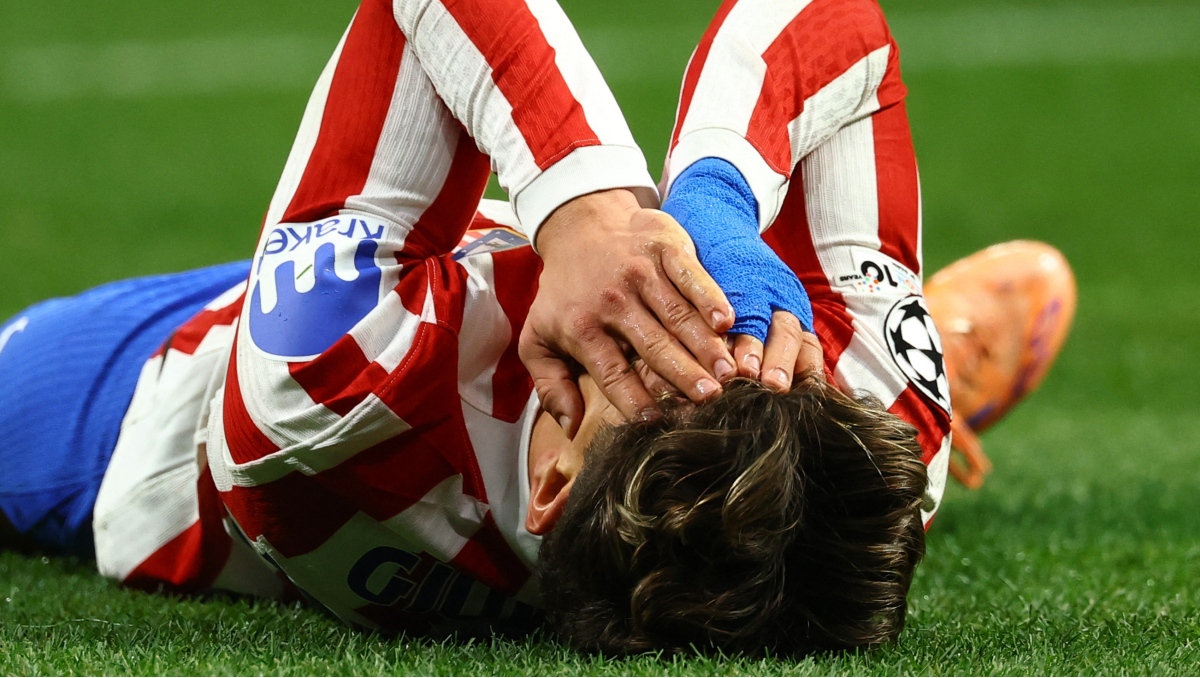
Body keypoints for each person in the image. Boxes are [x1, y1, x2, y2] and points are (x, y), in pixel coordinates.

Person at [0, 0, 1075, 655]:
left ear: (555, 477)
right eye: (764, 353)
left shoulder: (330, 391)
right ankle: (911, 318)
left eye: (649, 347)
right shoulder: (871, 406)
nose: (703, 302)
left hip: (175, 410)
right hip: (476, 276)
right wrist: (711, 203)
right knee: (868, 459)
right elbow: (837, 22)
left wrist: (588, 211)